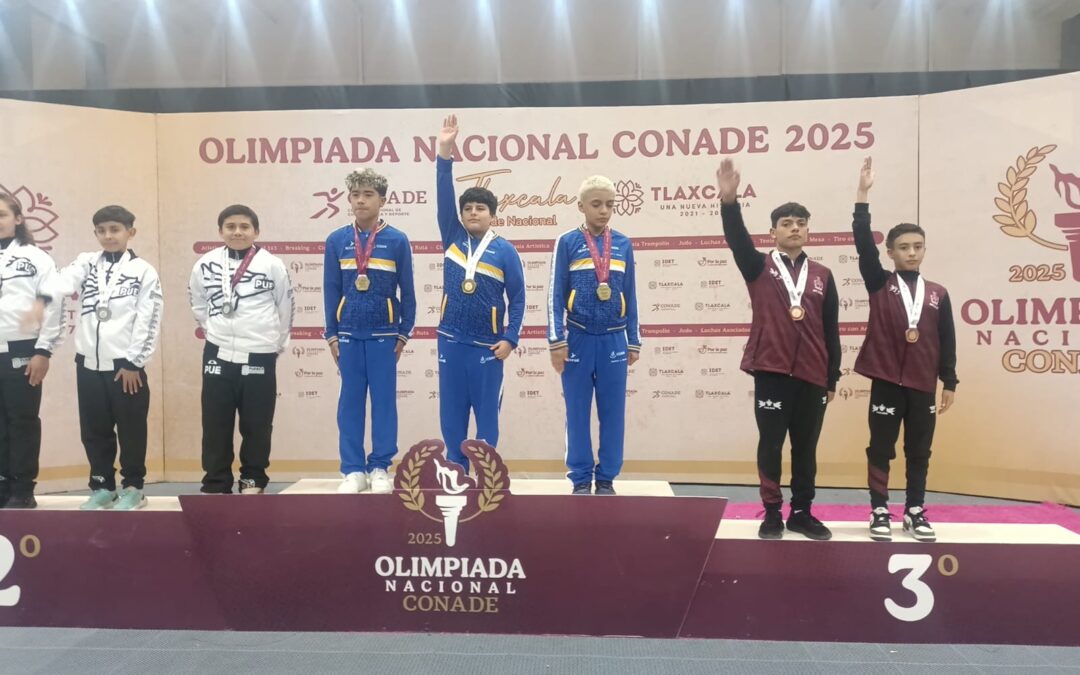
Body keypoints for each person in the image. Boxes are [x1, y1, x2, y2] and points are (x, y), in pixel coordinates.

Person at [717, 158, 840, 540]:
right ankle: (772, 512)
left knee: (806, 449)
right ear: (773, 232)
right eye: (786, 224)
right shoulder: (758, 266)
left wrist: (832, 375)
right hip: (771, 371)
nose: (795, 229)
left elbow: (830, 328)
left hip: (813, 375)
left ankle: (802, 512)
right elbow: (737, 239)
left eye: (801, 223)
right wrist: (729, 201)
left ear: (808, 231)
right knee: (771, 444)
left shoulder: (822, 275)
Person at [851, 157, 957, 543]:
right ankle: (879, 508)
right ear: (891, 253)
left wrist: (950, 381)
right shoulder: (879, 283)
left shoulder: (938, 294)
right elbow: (863, 244)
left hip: (922, 385)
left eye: (918, 247)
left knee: (919, 451)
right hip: (886, 382)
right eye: (904, 248)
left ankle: (914, 510)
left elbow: (947, 339)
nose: (912, 253)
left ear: (924, 250)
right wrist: (862, 195)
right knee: (880, 447)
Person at [50, 205, 163, 510]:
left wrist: (133, 363)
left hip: (124, 367)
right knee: (94, 430)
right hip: (87, 365)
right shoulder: (87, 264)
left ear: (130, 232)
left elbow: (149, 319)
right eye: (102, 231)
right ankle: (102, 486)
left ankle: (133, 486)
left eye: (115, 230)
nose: (108, 236)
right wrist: (78, 266)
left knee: (131, 429)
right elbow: (60, 287)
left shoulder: (144, 271)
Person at [434, 115, 525, 472]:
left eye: (480, 209)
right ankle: (455, 474)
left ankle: (487, 478)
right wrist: (445, 151)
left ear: (492, 216)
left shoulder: (505, 251)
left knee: (487, 419)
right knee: (452, 416)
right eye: (467, 208)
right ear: (460, 215)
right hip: (451, 343)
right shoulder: (452, 238)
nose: (473, 212)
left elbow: (517, 298)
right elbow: (444, 189)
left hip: (489, 347)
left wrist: (510, 338)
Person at [189, 204, 293, 495]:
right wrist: (213, 331)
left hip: (259, 351)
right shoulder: (205, 264)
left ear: (256, 232)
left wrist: (274, 344)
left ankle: (253, 480)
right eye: (230, 226)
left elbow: (285, 307)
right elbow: (197, 301)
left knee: (257, 424)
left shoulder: (272, 264)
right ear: (220, 231)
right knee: (215, 423)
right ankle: (216, 481)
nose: (237, 232)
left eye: (244, 227)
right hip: (218, 352)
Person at [323, 169, 415, 494]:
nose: (361, 200)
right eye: (356, 195)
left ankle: (379, 467)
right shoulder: (336, 241)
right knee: (349, 403)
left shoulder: (397, 240)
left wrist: (403, 334)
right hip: (347, 336)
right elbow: (331, 290)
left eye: (368, 195)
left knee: (384, 403)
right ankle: (352, 470)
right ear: (348, 200)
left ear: (383, 200)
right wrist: (331, 334)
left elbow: (409, 293)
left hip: (384, 336)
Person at [547, 176, 641, 495]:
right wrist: (556, 339)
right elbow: (555, 295)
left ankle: (606, 478)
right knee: (577, 412)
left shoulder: (624, 244)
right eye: (596, 204)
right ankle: (580, 478)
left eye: (610, 205)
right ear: (581, 206)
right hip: (578, 338)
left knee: (613, 413)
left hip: (614, 339)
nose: (604, 211)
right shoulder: (567, 242)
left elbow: (631, 294)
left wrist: (633, 338)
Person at [0, 192, 64, 509]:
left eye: (1, 215)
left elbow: (53, 305)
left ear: (18, 219)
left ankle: (23, 489)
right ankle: (2, 485)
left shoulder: (36, 258)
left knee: (22, 419)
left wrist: (44, 351)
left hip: (22, 349)